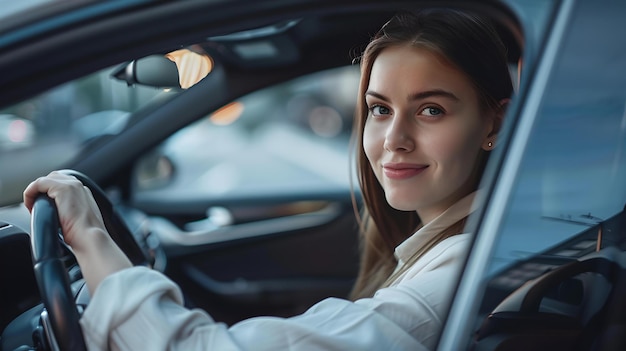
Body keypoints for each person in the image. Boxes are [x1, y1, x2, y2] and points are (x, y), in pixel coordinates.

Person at [23, 8, 512, 351]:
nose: (394, 139)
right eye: (380, 109)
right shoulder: (459, 250)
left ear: (493, 123)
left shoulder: (459, 275)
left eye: (431, 110)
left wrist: (88, 237)